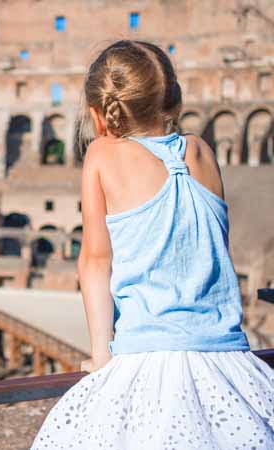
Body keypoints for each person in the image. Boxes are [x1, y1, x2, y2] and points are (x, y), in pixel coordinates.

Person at [30, 40, 274, 450]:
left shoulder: (103, 154)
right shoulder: (201, 152)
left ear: (98, 113)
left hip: (150, 357)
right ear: (174, 102)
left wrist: (101, 357)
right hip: (228, 357)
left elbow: (94, 262)